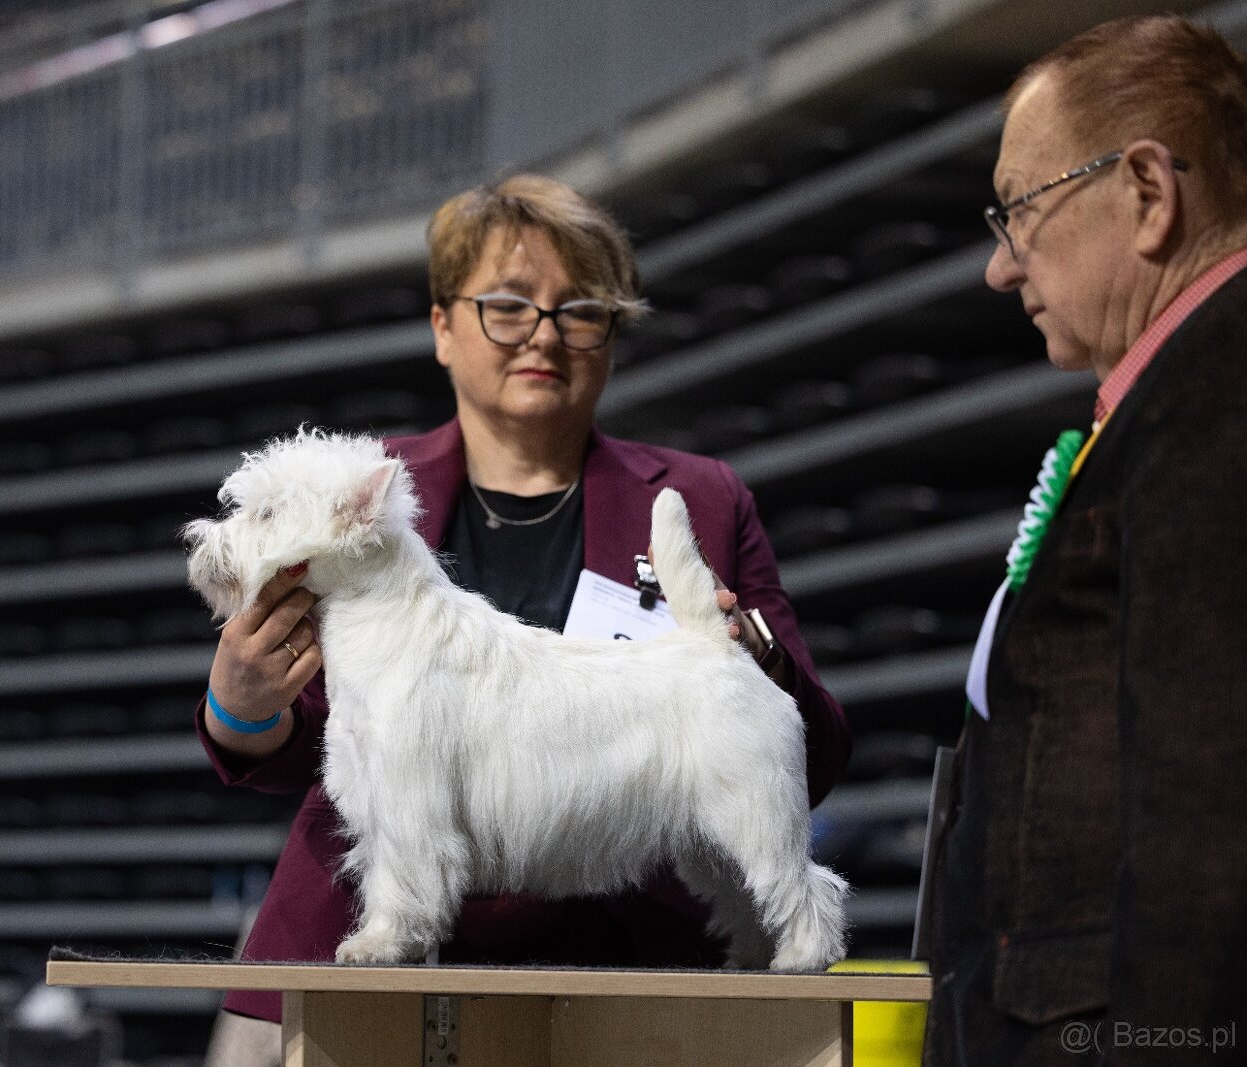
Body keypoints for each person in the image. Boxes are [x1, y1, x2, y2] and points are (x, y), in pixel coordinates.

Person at [197, 174, 851, 1063]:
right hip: (362, 985)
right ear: (442, 325)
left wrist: (752, 649)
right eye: (507, 306)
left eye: (581, 310)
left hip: (631, 969)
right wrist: (240, 707)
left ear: (612, 335)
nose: (543, 334)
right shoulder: (364, 497)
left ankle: (793, 922)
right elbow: (302, 750)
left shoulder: (703, 495)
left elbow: (814, 739)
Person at [924, 16, 1247, 1065]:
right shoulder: (1175, 397)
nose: (997, 269)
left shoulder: (1218, 398)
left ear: (1147, 192)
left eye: (1017, 211)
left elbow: (1204, 806)